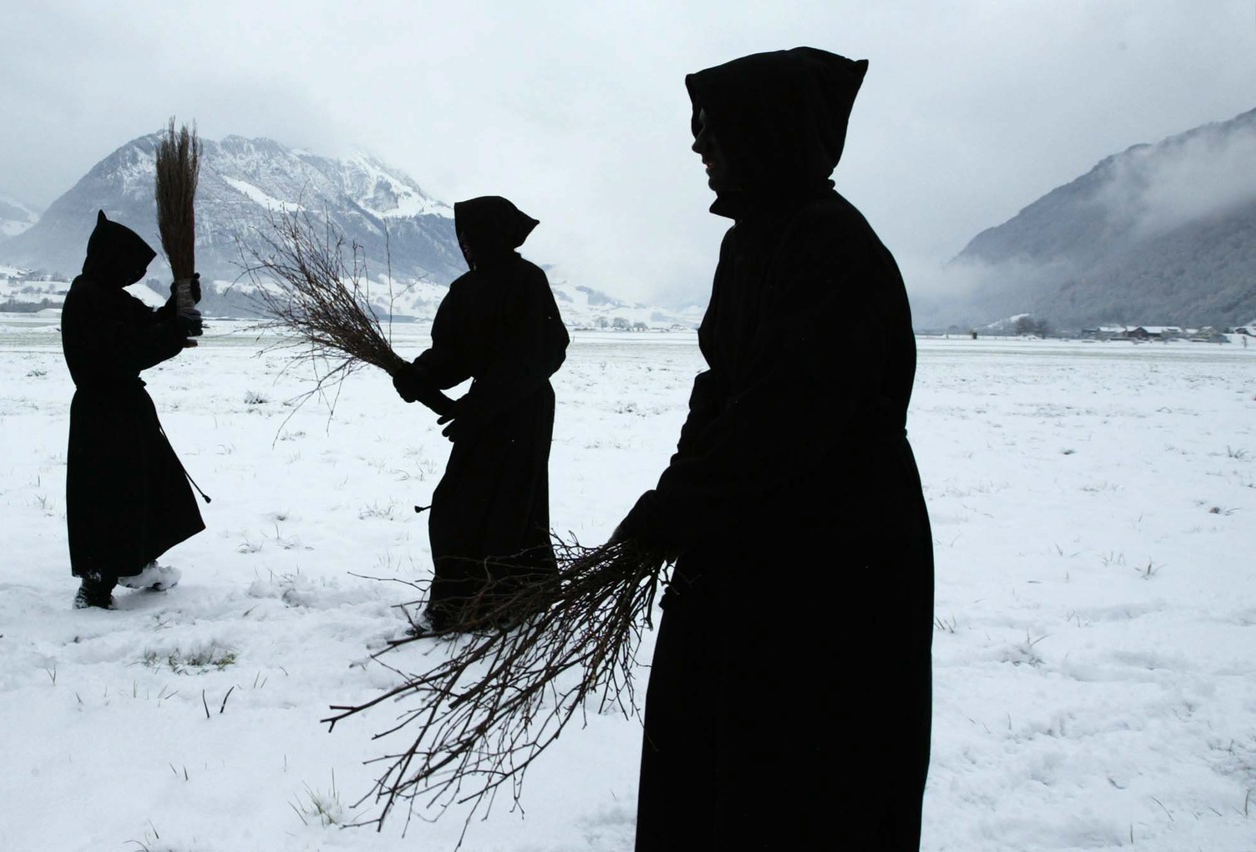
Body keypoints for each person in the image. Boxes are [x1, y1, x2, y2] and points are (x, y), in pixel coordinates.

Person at [611, 48, 935, 850]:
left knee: (803, 767)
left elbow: (789, 412)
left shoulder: (831, 245)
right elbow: (724, 389)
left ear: (767, 135)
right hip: (751, 534)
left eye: (712, 131)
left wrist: (679, 509)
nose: (698, 149)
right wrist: (677, 492)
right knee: (723, 755)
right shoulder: (757, 238)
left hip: (830, 553)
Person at [394, 196, 570, 632]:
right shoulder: (466, 289)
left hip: (524, 409)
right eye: (462, 238)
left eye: (470, 236)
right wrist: (419, 376)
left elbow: (544, 350)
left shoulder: (528, 280)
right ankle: (480, 597)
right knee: (462, 501)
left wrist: (484, 403)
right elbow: (454, 353)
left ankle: (504, 600)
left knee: (511, 501)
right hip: (486, 408)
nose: (465, 245)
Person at [62, 210, 206, 609]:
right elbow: (131, 349)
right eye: (129, 268)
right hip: (105, 417)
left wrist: (179, 304)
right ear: (112, 261)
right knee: (112, 494)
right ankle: (99, 583)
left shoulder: (104, 295)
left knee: (141, 487)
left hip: (120, 411)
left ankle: (136, 561)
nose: (133, 277)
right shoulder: (89, 300)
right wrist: (175, 330)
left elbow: (146, 325)